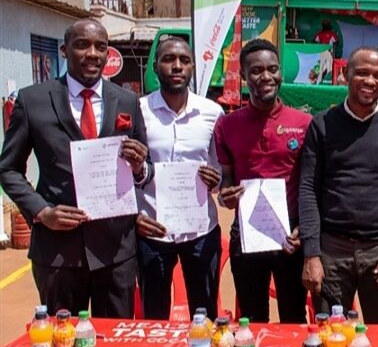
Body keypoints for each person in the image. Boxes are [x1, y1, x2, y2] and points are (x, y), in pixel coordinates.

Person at [0, 19, 152, 317]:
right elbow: (8, 169)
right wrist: (42, 212)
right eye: (82, 45)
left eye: (101, 47)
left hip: (116, 253)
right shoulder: (32, 101)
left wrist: (139, 167)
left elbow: (145, 170)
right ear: (64, 50)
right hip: (58, 252)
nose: (93, 53)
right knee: (64, 344)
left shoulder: (128, 100)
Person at [299, 47, 378, 324]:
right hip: (331, 253)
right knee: (331, 338)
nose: (370, 81)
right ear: (345, 74)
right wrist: (311, 254)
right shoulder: (322, 125)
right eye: (363, 73)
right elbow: (307, 190)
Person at [214, 39, 310, 323]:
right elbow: (226, 184)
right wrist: (225, 196)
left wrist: (304, 228)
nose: (266, 76)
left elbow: (311, 184)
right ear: (243, 76)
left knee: (293, 316)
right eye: (256, 70)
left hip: (291, 237)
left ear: (281, 73)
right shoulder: (227, 125)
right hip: (247, 233)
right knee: (252, 319)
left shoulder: (304, 122)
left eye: (273, 69)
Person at [135, 37, 224, 320]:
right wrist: (132, 217)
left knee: (204, 315)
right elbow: (124, 171)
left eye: (184, 61)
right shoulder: (138, 111)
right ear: (155, 65)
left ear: (193, 67)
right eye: (168, 59)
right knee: (154, 315)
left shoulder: (212, 113)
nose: (177, 66)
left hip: (200, 231)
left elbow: (222, 171)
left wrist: (216, 180)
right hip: (151, 230)